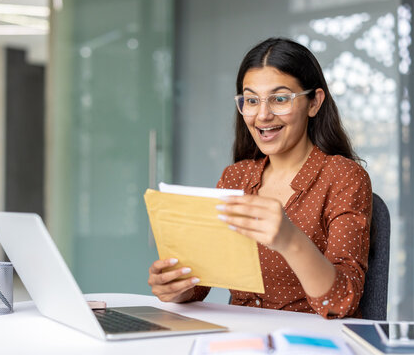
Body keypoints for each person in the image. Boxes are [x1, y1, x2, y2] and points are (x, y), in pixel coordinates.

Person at [147, 37, 372, 319]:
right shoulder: (236, 177)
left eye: (279, 99)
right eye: (251, 100)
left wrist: (290, 240)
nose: (262, 115)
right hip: (240, 339)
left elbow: (341, 303)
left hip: (308, 343)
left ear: (314, 102)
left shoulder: (344, 176)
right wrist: (177, 288)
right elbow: (201, 282)